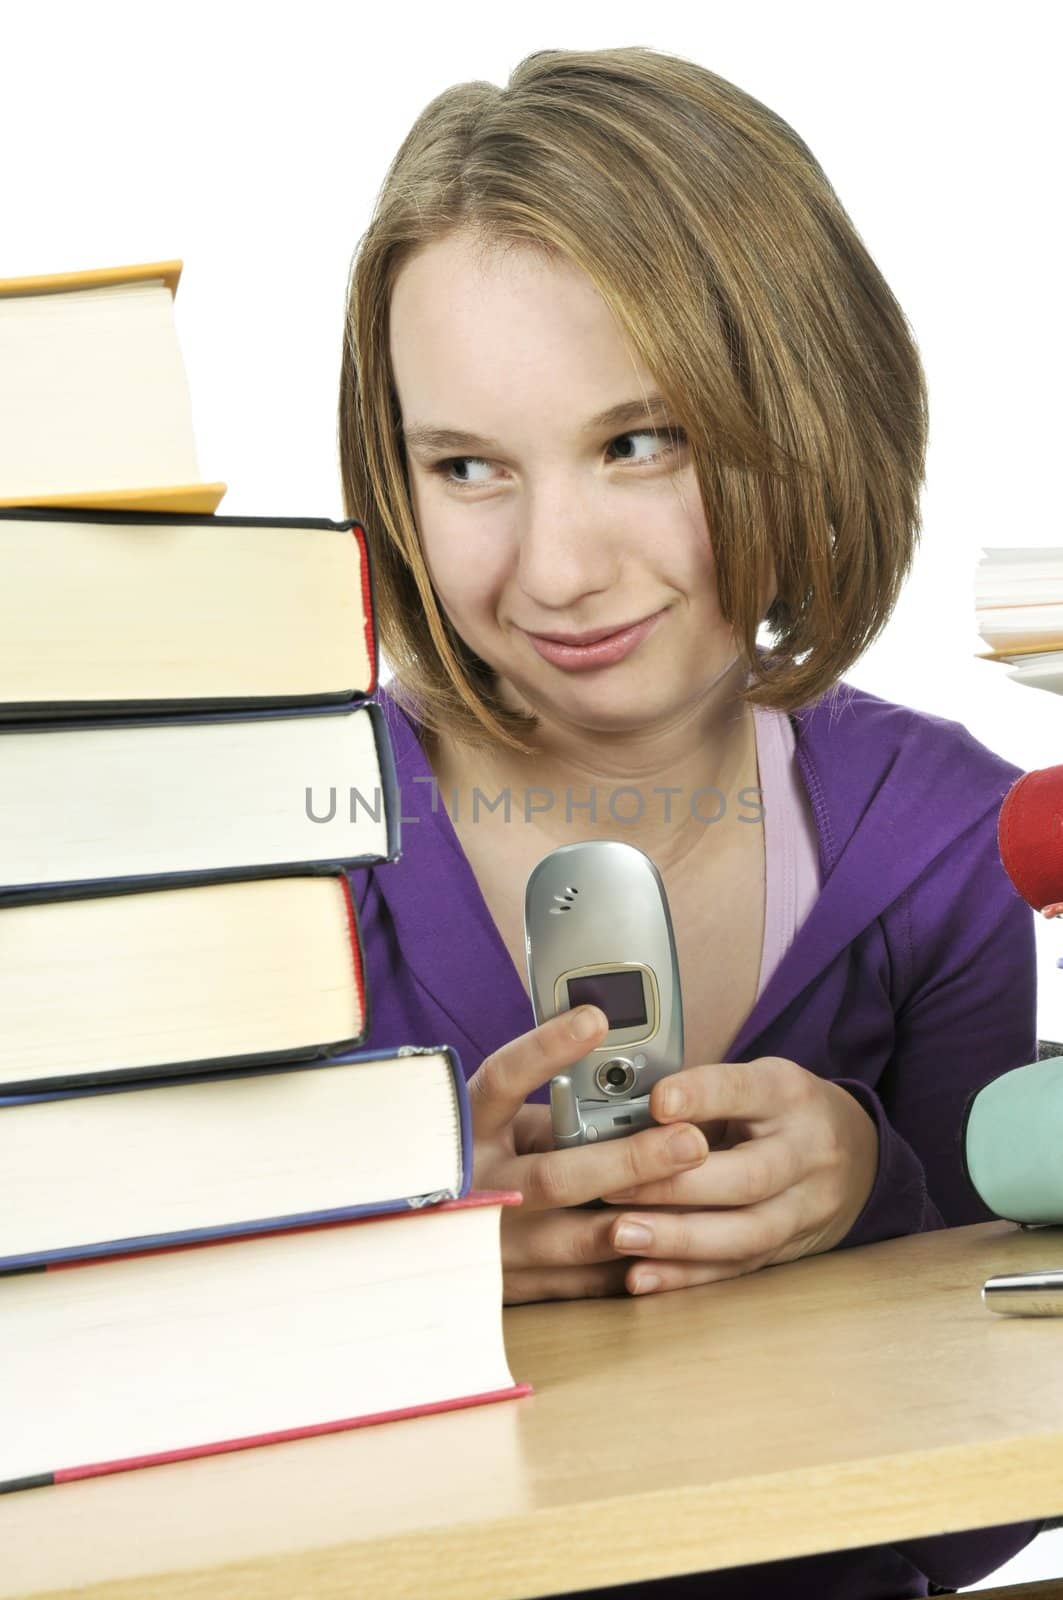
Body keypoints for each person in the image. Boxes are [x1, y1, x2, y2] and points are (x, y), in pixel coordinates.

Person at [338, 45, 1043, 1599]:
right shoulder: (285, 859)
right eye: (469, 467)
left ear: (805, 409)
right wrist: (404, 1269)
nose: (561, 569)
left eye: (637, 442)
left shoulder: (945, 844)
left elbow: (986, 1508)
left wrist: (873, 1188)